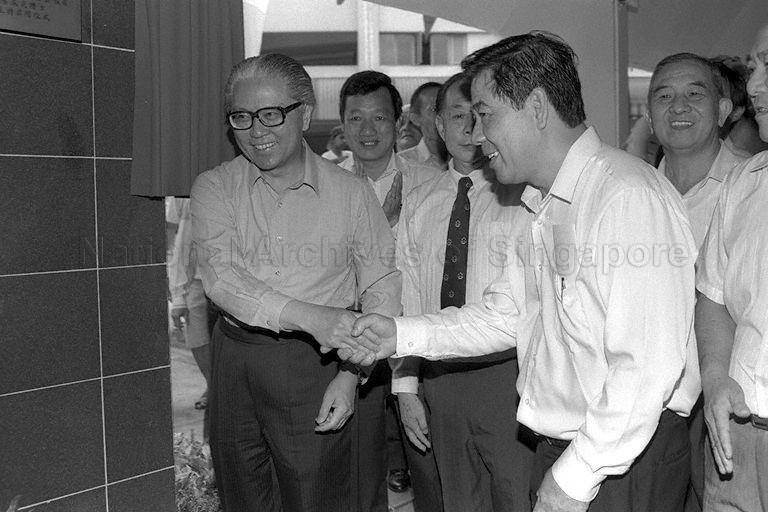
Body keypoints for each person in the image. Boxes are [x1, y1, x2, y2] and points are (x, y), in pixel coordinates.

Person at [333, 32, 700, 512]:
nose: (477, 135)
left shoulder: (624, 196)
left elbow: (646, 368)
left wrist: (574, 477)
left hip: (619, 459)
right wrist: (397, 335)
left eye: (486, 115)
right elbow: (503, 315)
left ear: (538, 108)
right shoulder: (546, 201)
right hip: (577, 449)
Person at [190, 53, 401, 512]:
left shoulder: (350, 193)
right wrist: (314, 317)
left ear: (304, 114)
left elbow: (382, 284)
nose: (256, 131)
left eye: (271, 114)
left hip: (316, 364)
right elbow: (222, 278)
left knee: (316, 497)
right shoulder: (214, 187)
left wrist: (351, 374)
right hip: (236, 354)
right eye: (241, 117)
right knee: (241, 491)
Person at [392, 71, 535, 511]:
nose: (470, 128)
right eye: (457, 115)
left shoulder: (524, 196)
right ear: (437, 125)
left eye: (480, 115)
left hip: (509, 376)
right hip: (441, 380)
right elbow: (409, 298)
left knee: (517, 497)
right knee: (457, 500)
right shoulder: (420, 202)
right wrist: (406, 386)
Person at [646, 52, 748, 511]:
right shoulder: (633, 191)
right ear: (649, 116)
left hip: (729, 397)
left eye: (695, 93)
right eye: (664, 96)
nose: (679, 106)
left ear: (724, 111)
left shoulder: (751, 186)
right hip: (649, 401)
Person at [337, 69, 441, 512]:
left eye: (378, 118)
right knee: (354, 476)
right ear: (341, 125)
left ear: (398, 122)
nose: (367, 130)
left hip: (411, 347)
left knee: (426, 473)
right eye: (355, 118)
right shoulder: (326, 184)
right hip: (346, 347)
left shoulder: (431, 183)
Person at [695, 23, 768, 511]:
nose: (755, 86)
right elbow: (714, 296)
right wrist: (716, 376)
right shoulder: (745, 183)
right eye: (755, 67)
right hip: (738, 433)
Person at [167, 197, 213, 412]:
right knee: (196, 338)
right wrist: (176, 292)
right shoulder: (180, 191)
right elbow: (174, 237)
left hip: (230, 276)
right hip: (194, 278)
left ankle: (222, 389)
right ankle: (213, 384)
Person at [399, 82, 449, 170]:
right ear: (415, 118)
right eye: (435, 109)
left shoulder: (469, 159)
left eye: (448, 108)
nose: (444, 115)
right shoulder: (402, 164)